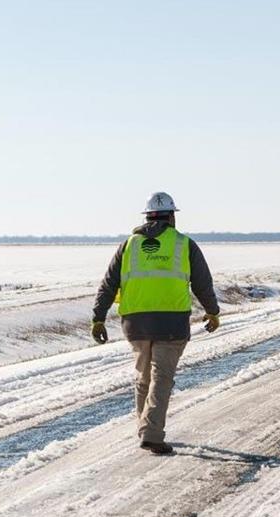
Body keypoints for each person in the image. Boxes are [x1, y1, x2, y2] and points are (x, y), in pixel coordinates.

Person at [91, 192, 221, 456]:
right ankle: (151, 433)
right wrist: (212, 311)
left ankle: (145, 428)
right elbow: (202, 283)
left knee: (144, 378)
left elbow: (109, 283)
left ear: (147, 216)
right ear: (171, 217)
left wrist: (98, 317)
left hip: (135, 323)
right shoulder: (184, 244)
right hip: (171, 322)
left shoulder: (129, 245)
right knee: (161, 378)